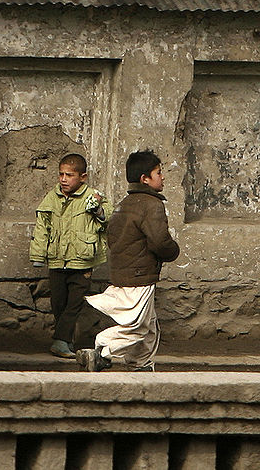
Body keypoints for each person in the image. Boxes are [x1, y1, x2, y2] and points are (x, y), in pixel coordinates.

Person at [76, 149, 180, 372]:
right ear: (145, 178)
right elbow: (160, 241)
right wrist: (173, 251)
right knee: (139, 327)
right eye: (159, 173)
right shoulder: (152, 205)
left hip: (124, 271)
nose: (163, 177)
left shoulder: (126, 203)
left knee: (149, 324)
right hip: (140, 274)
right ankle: (102, 350)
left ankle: (140, 363)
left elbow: (113, 236)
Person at [30, 154, 112, 359]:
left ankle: (59, 341)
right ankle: (65, 340)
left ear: (83, 177)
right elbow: (42, 227)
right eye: (61, 174)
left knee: (74, 304)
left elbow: (109, 219)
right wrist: (38, 255)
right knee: (59, 303)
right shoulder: (52, 198)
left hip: (82, 262)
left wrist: (98, 211)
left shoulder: (93, 197)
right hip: (57, 260)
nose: (63, 179)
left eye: (69, 175)